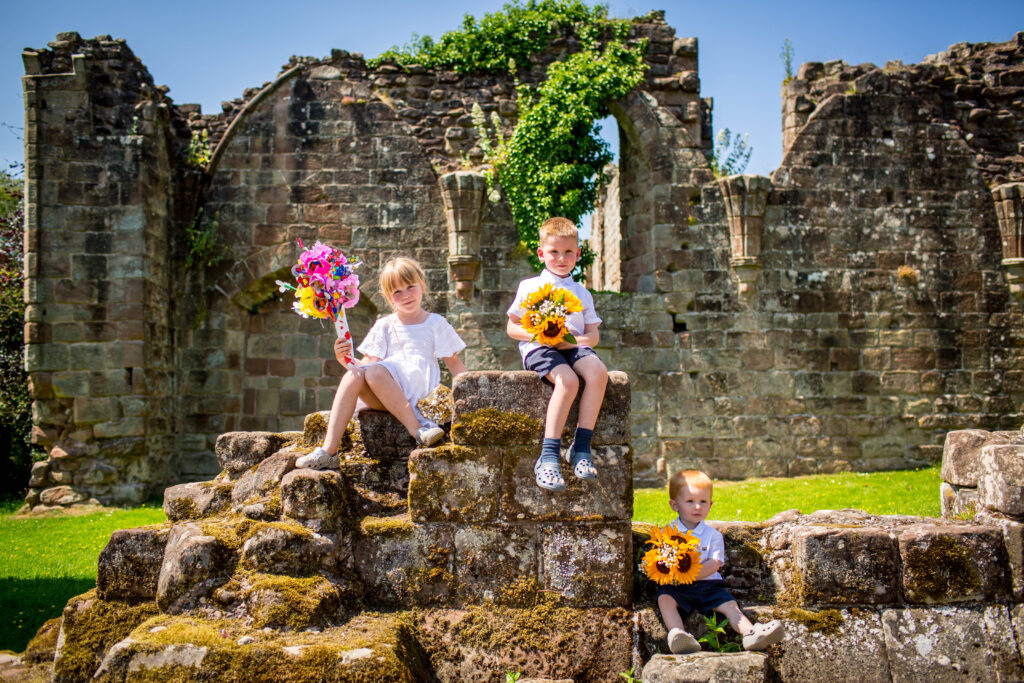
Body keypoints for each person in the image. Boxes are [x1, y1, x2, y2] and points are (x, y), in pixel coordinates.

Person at [297, 256, 467, 469]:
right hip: (387, 393)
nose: (405, 295)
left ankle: (418, 429)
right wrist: (346, 360)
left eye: (410, 287)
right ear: (388, 297)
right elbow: (366, 367)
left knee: (376, 372)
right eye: (397, 292)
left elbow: (455, 366)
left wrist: (469, 399)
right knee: (354, 375)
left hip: (419, 393)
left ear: (422, 284)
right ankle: (328, 451)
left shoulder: (435, 323)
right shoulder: (385, 325)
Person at [506, 217, 608, 491]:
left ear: (577, 254)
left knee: (598, 373)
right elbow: (512, 327)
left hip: (573, 348)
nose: (561, 258)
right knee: (568, 381)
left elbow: (593, 336)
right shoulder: (530, 287)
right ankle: (549, 456)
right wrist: (542, 335)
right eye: (554, 252)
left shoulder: (582, 293)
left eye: (568, 252)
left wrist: (570, 342)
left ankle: (581, 448)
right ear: (541, 254)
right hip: (539, 348)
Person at [657, 469, 784, 654]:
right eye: (690, 501)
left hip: (708, 586)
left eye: (703, 502)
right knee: (664, 598)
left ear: (710, 505)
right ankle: (678, 635)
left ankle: (750, 633)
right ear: (674, 505)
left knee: (730, 605)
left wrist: (689, 574)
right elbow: (661, 559)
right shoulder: (667, 532)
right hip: (678, 586)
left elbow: (714, 563)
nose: (697, 507)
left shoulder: (712, 535)